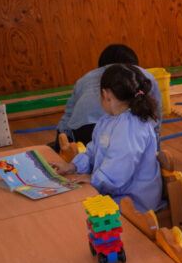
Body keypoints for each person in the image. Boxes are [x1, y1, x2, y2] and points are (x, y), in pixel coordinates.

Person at [52, 64, 162, 213]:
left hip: (133, 200)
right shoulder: (108, 120)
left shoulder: (131, 126)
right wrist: (73, 166)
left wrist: (93, 178)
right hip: (116, 190)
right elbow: (93, 151)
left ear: (106, 94)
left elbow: (120, 166)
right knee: (70, 203)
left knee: (76, 211)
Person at [56, 44, 162, 147]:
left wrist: (60, 140)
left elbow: (68, 114)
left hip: (84, 128)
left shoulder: (86, 78)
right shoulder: (145, 77)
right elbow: (156, 112)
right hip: (129, 132)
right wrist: (156, 146)